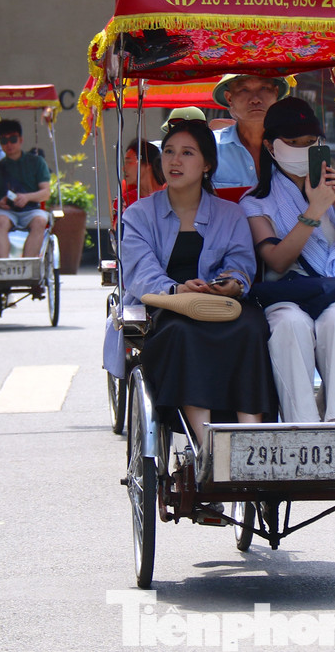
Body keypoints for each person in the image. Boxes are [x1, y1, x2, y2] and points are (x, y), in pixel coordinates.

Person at [113, 119, 275, 447]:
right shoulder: (139, 215)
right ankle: (206, 448)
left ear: (207, 165)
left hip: (222, 305)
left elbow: (241, 262)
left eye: (187, 153)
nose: (174, 160)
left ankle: (250, 442)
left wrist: (232, 283)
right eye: (169, 151)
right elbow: (139, 270)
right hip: (165, 309)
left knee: (252, 327)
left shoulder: (230, 213)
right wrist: (177, 290)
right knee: (181, 332)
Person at [242, 98, 335, 424]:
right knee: (290, 325)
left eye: (310, 143)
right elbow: (276, 261)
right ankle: (302, 429)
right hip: (286, 293)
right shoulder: (256, 202)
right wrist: (313, 211)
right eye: (293, 144)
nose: (303, 151)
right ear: (270, 145)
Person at [210, 74, 291, 189]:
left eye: (264, 88)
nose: (255, 99)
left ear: (276, 93)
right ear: (229, 98)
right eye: (244, 90)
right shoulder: (210, 147)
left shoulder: (295, 146)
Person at [0, 118, 51, 259]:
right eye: (4, 141)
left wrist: (27, 197)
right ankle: (4, 264)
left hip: (31, 209)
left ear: (20, 139)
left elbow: (46, 192)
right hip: (6, 211)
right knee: (0, 221)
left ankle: (27, 264)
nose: (9, 144)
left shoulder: (36, 162)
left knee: (40, 220)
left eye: (13, 139)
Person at [121, 139, 165, 210]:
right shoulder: (124, 202)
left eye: (129, 162)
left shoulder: (170, 195)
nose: (123, 168)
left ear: (147, 163)